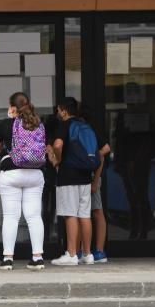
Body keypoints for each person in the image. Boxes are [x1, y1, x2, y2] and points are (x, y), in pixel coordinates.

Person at [0, 91, 59, 271]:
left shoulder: (6, 124)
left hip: (11, 173)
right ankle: (37, 258)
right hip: (35, 174)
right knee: (34, 216)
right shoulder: (38, 124)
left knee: (11, 216)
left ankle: (7, 259)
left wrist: (10, 121)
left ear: (12, 108)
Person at [50, 97, 95, 267]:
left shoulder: (65, 125)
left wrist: (57, 160)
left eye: (59, 110)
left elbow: (58, 145)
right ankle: (88, 254)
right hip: (85, 175)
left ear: (64, 110)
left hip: (68, 175)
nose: (57, 113)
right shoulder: (85, 125)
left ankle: (71, 254)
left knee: (70, 214)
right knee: (84, 214)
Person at [79, 106, 110, 263]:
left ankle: (97, 250)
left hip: (91, 175)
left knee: (93, 211)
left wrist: (95, 180)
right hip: (89, 175)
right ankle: (89, 250)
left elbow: (105, 150)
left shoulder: (88, 132)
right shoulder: (85, 132)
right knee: (87, 212)